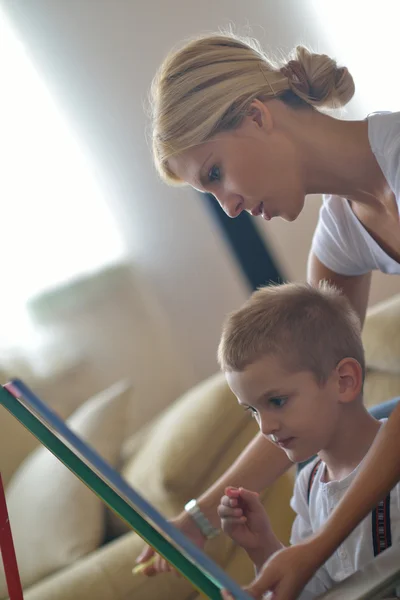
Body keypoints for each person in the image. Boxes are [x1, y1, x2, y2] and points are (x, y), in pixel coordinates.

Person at [136, 31, 400, 598]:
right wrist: (200, 522)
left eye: (214, 174)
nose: (228, 206)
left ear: (257, 117)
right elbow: (305, 383)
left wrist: (313, 551)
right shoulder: (344, 231)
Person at [215, 281, 400, 599]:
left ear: (343, 382)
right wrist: (263, 548)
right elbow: (317, 591)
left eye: (276, 401)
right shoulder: (309, 484)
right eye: (252, 411)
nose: (265, 427)